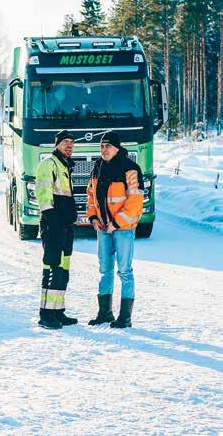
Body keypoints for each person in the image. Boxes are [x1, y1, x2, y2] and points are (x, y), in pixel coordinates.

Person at [86, 131, 144, 328]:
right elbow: (91, 195)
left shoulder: (131, 169)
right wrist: (93, 217)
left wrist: (116, 223)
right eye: (101, 146)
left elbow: (135, 202)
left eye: (107, 146)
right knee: (105, 270)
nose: (103, 150)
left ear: (117, 147)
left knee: (125, 271)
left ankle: (125, 317)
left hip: (123, 229)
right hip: (102, 228)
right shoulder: (97, 167)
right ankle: (105, 313)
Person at [36, 130, 78, 329]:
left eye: (71, 142)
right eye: (65, 142)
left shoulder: (65, 165)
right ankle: (46, 315)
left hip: (65, 227)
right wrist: (52, 220)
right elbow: (43, 193)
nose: (69, 146)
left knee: (63, 270)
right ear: (57, 145)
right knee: (52, 268)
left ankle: (58, 311)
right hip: (53, 225)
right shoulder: (48, 164)